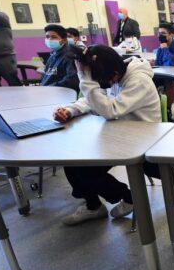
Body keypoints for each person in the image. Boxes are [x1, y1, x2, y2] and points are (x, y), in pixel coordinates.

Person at [52, 45, 161, 225]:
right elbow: (94, 99)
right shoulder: (113, 75)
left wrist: (85, 78)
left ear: (114, 73)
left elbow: (110, 110)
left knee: (85, 169)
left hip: (143, 141)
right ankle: (93, 206)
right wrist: (70, 110)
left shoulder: (138, 80)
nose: (103, 85)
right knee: (71, 160)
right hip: (119, 136)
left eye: (102, 81)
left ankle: (129, 198)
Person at [40, 24, 79, 93]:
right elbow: (48, 74)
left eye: (54, 37)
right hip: (46, 92)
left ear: (63, 40)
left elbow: (72, 80)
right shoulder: (53, 54)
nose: (49, 39)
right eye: (47, 37)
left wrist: (50, 88)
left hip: (60, 95)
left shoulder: (69, 56)